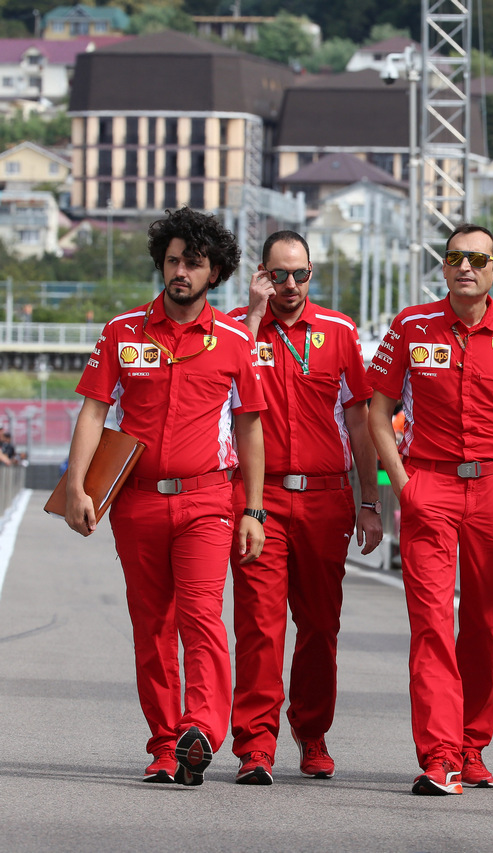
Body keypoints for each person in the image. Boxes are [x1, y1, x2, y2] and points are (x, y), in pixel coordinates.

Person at [63, 206, 267, 786]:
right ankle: (164, 746)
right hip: (137, 503)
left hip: (207, 502)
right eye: (173, 260)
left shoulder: (234, 340)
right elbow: (94, 410)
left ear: (215, 272)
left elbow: (251, 428)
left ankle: (199, 729)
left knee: (202, 617)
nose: (181, 271)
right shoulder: (122, 332)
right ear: (161, 262)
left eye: (194, 263)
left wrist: (253, 508)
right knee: (151, 625)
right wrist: (78, 485)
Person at [366, 223, 493, 796]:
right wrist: (402, 485)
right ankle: (439, 755)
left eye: (478, 258)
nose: (465, 267)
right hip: (429, 485)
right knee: (430, 623)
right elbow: (379, 413)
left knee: (483, 623)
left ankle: (473, 745)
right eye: (455, 257)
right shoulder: (411, 325)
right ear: (444, 267)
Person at [226, 231, 383, 785]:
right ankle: (256, 744)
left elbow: (362, 424)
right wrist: (252, 313)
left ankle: (311, 732)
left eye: (300, 275)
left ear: (312, 274)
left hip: (325, 500)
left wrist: (371, 500)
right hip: (258, 500)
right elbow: (228, 387)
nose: (290, 285)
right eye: (278, 275)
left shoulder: (339, 333)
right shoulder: (238, 332)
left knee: (319, 626)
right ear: (263, 274)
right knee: (259, 626)